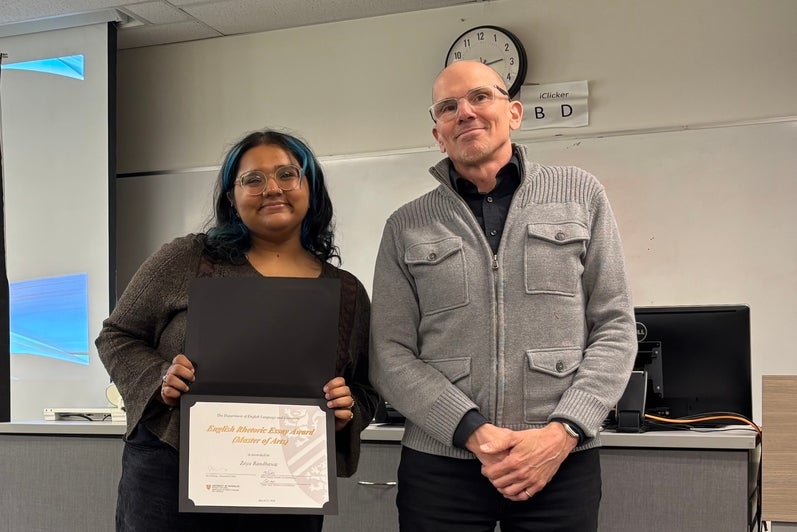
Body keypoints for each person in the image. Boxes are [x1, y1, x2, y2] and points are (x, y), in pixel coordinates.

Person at [369, 60, 637, 532]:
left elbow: (614, 325)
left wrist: (564, 432)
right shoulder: (406, 225)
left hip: (559, 460)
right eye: (448, 107)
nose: (465, 113)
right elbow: (389, 352)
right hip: (442, 465)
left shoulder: (580, 195)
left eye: (480, 97)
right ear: (438, 133)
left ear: (513, 112)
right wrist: (472, 432)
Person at [96, 128, 378, 532]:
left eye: (287, 174)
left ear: (310, 187)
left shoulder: (346, 291)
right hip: (169, 474)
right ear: (232, 196)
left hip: (286, 482)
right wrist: (160, 377)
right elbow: (117, 335)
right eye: (253, 179)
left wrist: (345, 410)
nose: (272, 189)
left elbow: (365, 387)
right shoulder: (189, 258)